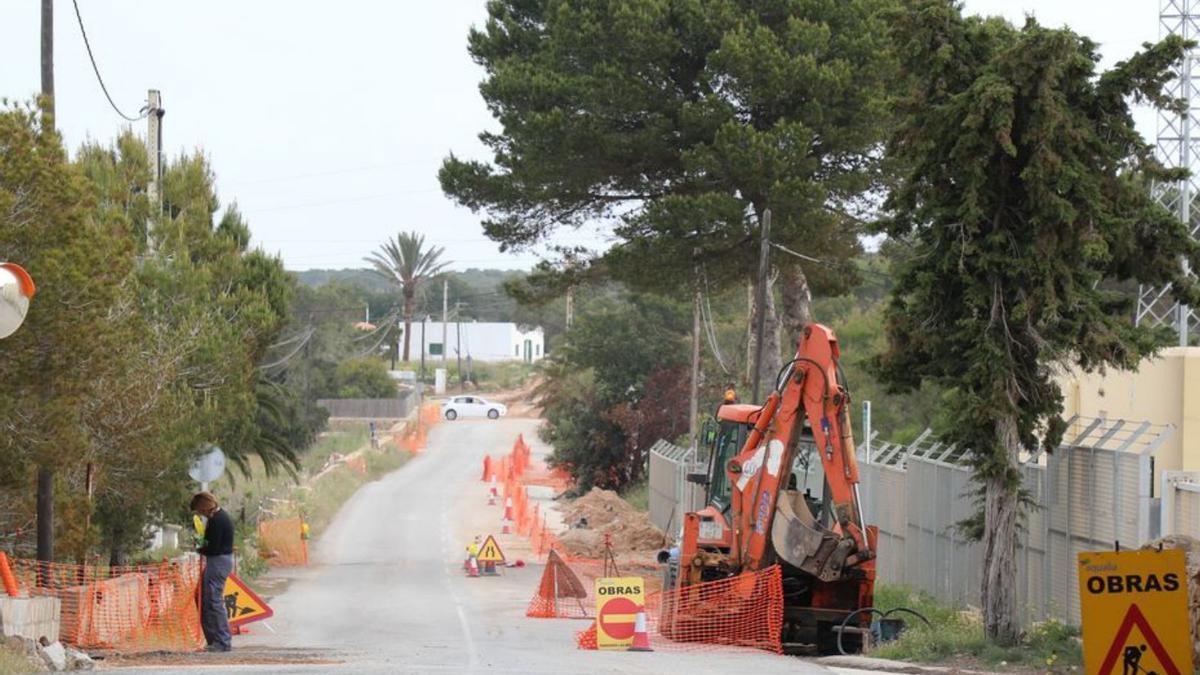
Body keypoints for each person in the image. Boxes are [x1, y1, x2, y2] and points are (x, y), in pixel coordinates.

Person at [191, 491, 234, 652]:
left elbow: (214, 548)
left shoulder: (217, 520)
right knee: (203, 598)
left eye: (199, 510)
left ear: (204, 506)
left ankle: (222, 640)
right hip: (218, 561)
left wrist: (200, 549)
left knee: (214, 601)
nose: (200, 514)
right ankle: (214, 639)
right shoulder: (217, 518)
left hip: (218, 561)